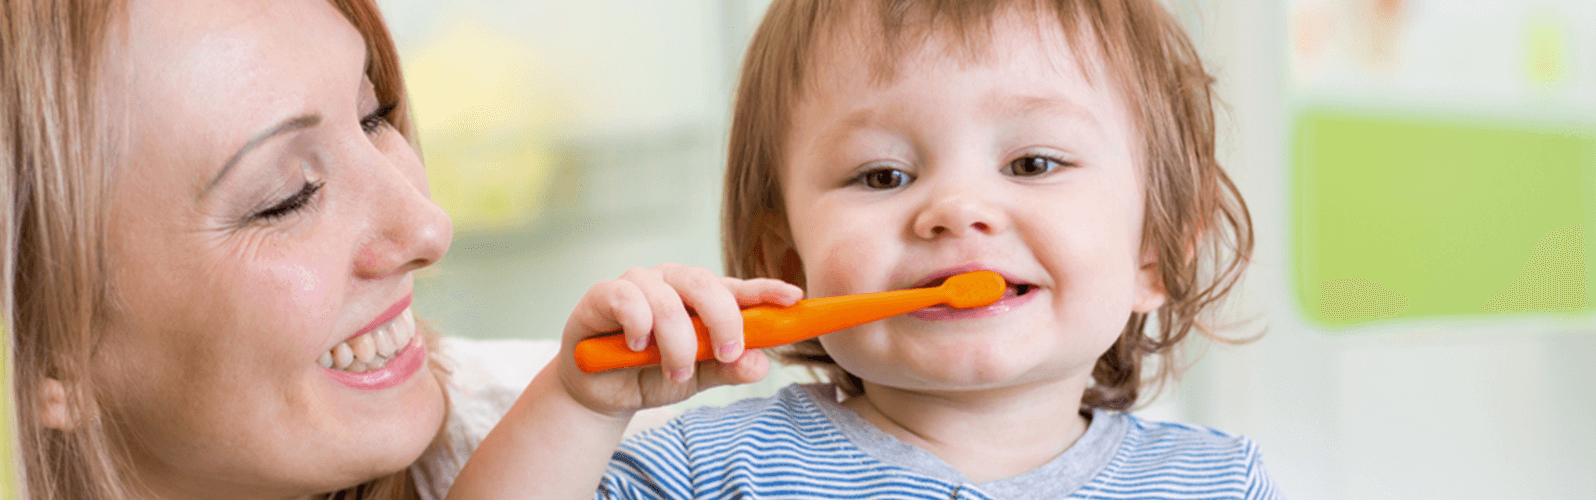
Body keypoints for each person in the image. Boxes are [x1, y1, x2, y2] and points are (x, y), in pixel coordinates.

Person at [450, 0, 1275, 498]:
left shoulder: (1215, 483)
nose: (955, 210)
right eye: (883, 176)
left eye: (1034, 162)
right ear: (787, 263)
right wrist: (579, 404)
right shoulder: (716, 469)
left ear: (1154, 255)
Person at [0, 1, 541, 498]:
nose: (428, 227)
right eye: (288, 196)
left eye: (372, 116)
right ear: (47, 358)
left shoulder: (587, 444)